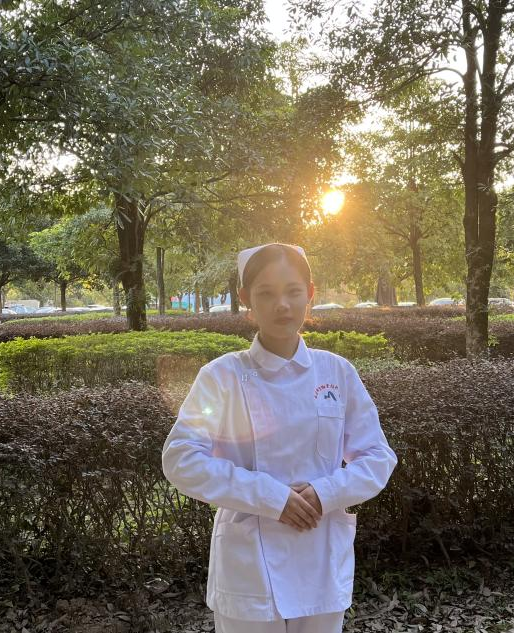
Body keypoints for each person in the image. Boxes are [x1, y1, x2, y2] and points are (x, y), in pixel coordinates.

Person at [161, 242, 398, 633]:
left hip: (320, 552)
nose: (282, 305)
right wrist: (270, 497)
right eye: (266, 293)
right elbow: (181, 459)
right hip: (249, 564)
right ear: (246, 299)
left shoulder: (336, 373)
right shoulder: (222, 376)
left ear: (310, 293)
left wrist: (325, 493)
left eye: (292, 291)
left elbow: (377, 456)